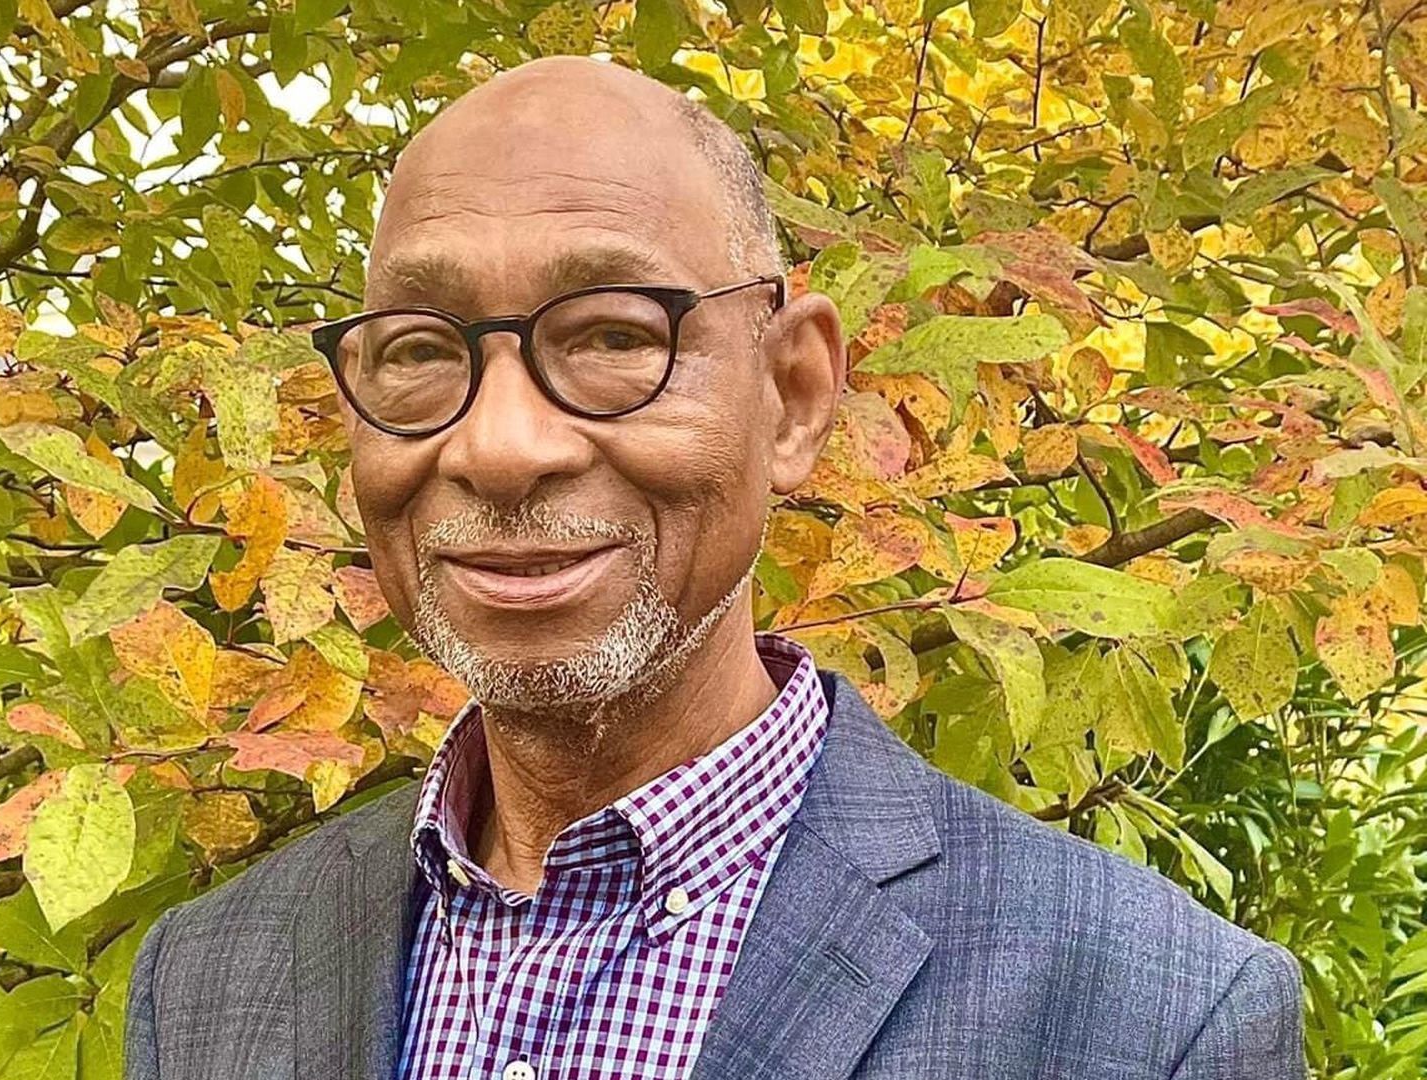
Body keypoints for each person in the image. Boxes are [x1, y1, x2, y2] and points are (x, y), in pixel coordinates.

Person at [123, 54, 1303, 1080]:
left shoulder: (1155, 1020)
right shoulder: (211, 977)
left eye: (613, 335)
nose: (500, 446)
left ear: (793, 397)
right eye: (424, 351)